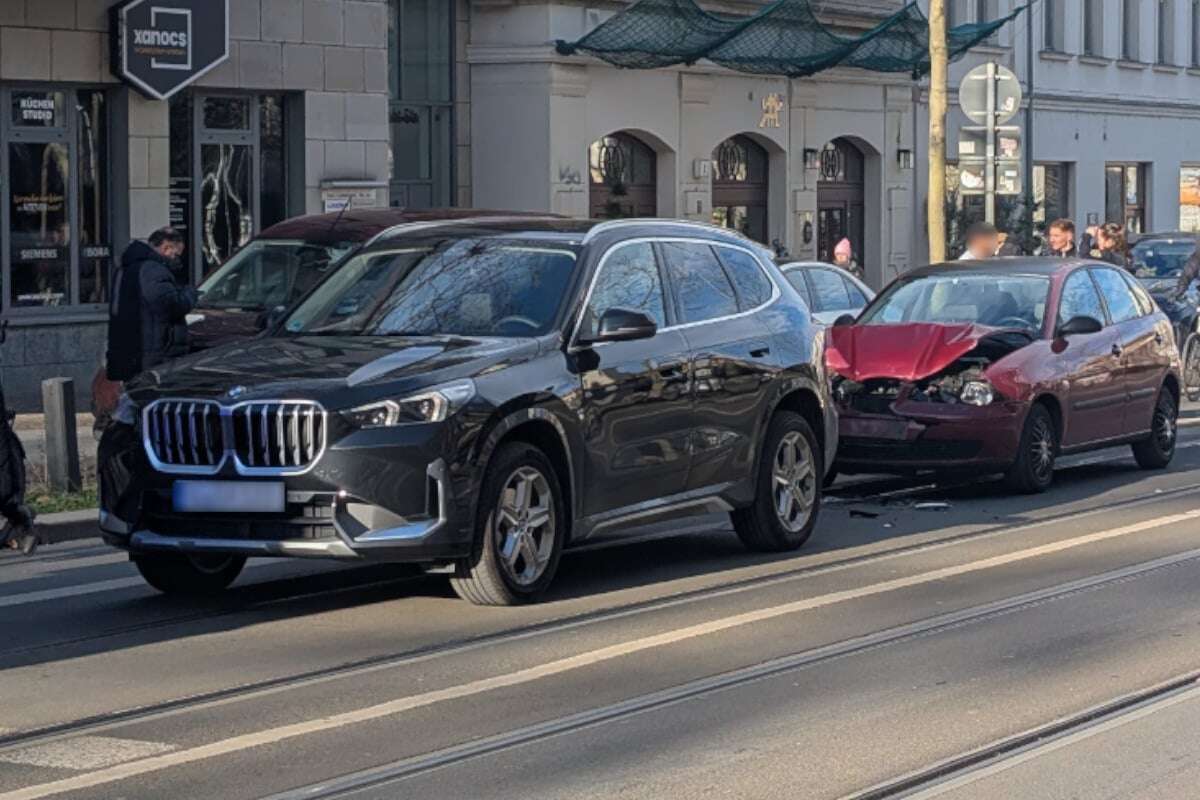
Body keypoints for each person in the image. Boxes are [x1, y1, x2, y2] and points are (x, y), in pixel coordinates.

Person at [106, 227, 197, 384]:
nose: (177, 259)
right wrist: (190, 294)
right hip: (152, 352)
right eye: (175, 254)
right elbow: (170, 306)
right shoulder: (153, 270)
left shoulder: (125, 268)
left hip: (130, 351)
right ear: (166, 247)